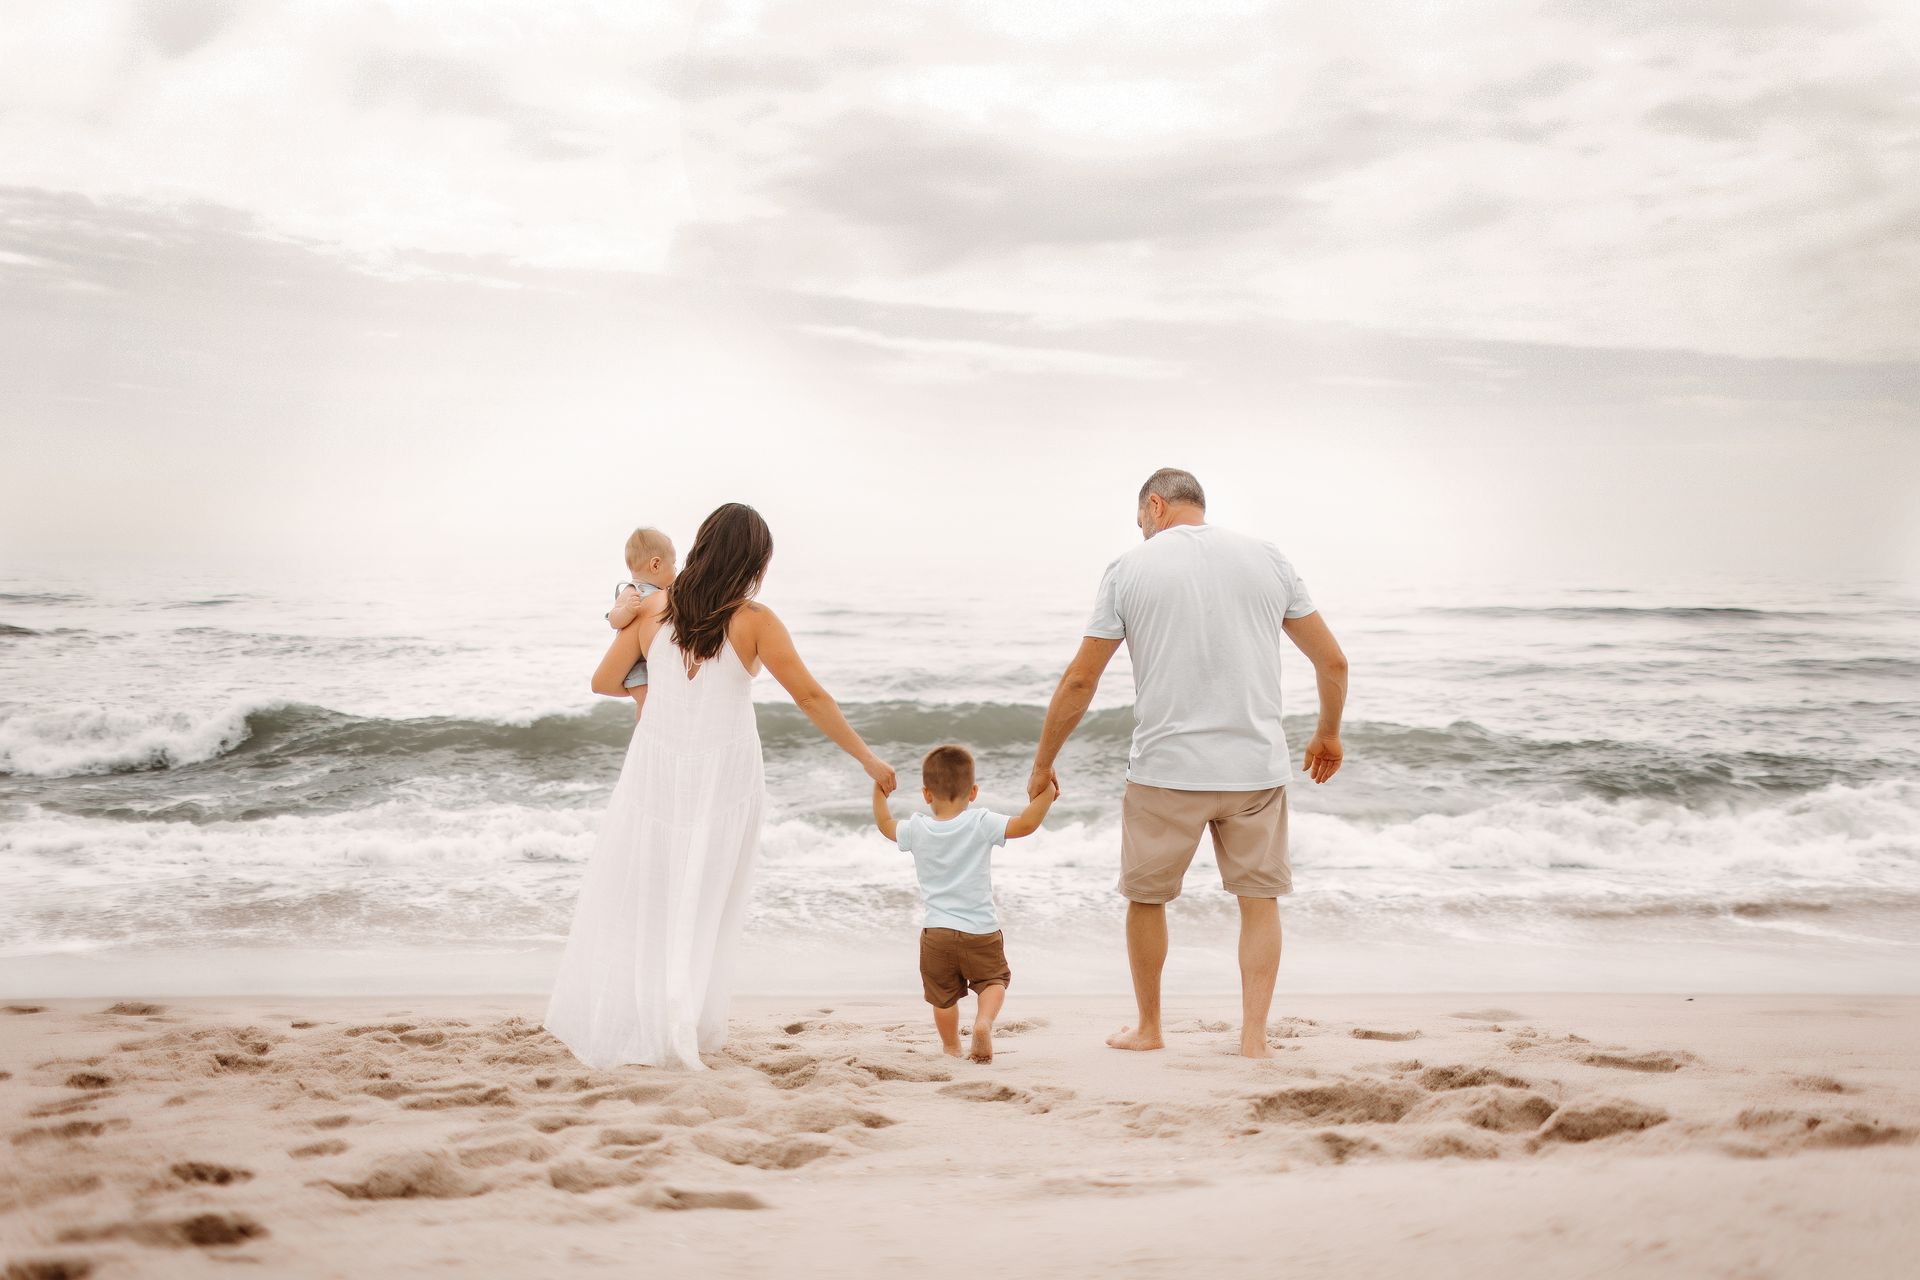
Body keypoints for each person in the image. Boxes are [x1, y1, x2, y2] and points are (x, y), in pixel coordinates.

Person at [545, 503, 897, 1070]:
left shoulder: (654, 609)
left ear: (704, 545)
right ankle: (682, 1021)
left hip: (656, 769)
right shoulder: (755, 620)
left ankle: (645, 1018)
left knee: (652, 892)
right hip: (724, 777)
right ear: (754, 560)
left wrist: (647, 694)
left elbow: (602, 681)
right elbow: (811, 697)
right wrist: (867, 758)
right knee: (705, 900)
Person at [1027, 468, 1349, 1059]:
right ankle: (1254, 1039)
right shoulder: (1269, 559)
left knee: (1146, 900)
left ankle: (1149, 1029)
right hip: (1255, 769)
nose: (1143, 530)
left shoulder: (1128, 569)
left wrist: (1044, 760)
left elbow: (1080, 680)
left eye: (1141, 521)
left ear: (1155, 506)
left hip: (1165, 771)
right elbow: (1333, 662)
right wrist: (1327, 732)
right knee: (1259, 902)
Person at [872, 744, 1058, 1064]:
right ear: (973, 791)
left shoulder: (916, 827)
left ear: (926, 794)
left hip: (937, 933)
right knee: (993, 981)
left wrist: (879, 790)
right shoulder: (981, 822)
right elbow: (1026, 824)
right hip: (981, 929)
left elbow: (885, 824)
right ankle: (983, 1022)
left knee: (943, 998)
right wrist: (1046, 794)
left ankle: (951, 1048)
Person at [605, 527, 677, 720]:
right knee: (647, 704)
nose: (676, 571)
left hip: (654, 661)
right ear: (655, 565)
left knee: (660, 704)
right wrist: (627, 610)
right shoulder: (632, 591)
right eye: (674, 565)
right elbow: (613, 620)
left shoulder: (661, 593)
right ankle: (644, 735)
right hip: (638, 667)